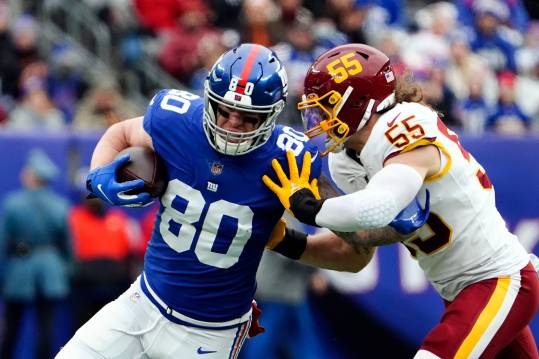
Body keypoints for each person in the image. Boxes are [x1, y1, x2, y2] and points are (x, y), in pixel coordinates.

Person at [56, 43, 389, 359]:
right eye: (224, 111)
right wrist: (97, 175)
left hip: (209, 332)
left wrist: (290, 236)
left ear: (271, 115)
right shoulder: (177, 120)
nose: (231, 125)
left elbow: (356, 252)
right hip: (142, 300)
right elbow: (121, 133)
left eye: (247, 118)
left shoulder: (293, 157)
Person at [263, 43, 539, 358]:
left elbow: (381, 205)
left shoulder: (406, 123)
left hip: (496, 279)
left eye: (327, 106)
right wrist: (284, 240)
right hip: (463, 292)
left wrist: (309, 208)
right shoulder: (346, 159)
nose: (317, 118)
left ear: (360, 102)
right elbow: (354, 251)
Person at [0, 149, 71, 359]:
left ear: (31, 175)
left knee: (12, 326)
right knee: (46, 328)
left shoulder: (13, 203)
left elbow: (3, 243)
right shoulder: (61, 205)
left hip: (19, 269)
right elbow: (68, 245)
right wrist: (66, 271)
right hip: (51, 269)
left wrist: (2, 274)